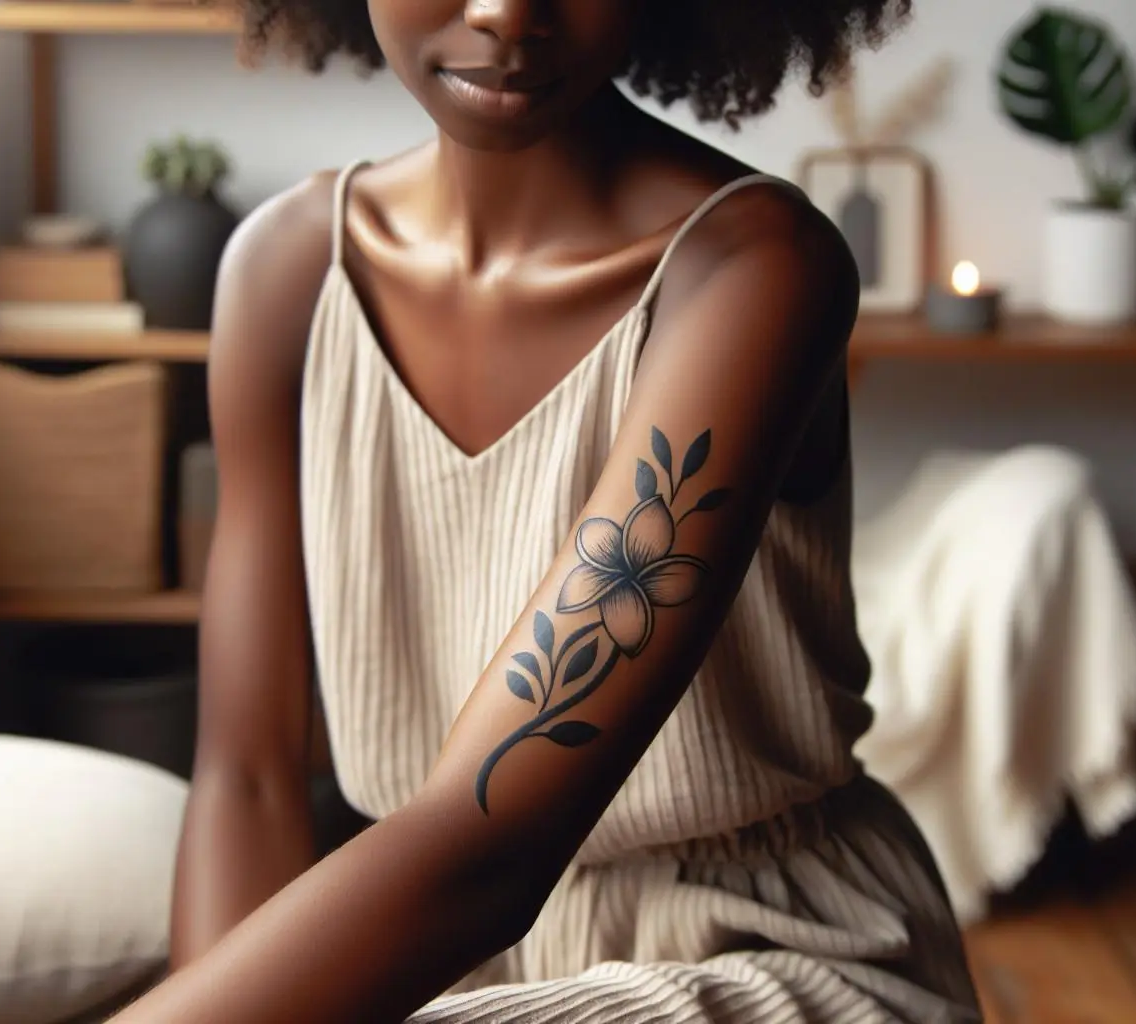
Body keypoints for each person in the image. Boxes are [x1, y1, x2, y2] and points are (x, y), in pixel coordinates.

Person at [110, 0, 981, 1020]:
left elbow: (494, 848)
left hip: (769, 953)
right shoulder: (286, 272)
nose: (504, 9)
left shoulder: (754, 270)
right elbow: (246, 778)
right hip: (432, 955)